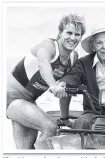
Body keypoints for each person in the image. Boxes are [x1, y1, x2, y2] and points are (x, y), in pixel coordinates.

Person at [6, 13, 86, 149]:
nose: (73, 38)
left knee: (25, 151)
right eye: (69, 33)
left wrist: (65, 117)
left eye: (77, 34)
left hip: (29, 103)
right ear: (60, 33)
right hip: (11, 100)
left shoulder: (74, 57)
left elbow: (66, 88)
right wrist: (53, 86)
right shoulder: (48, 45)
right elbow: (44, 65)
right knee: (50, 127)